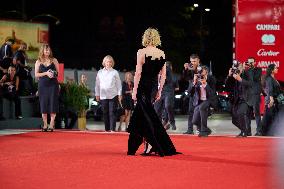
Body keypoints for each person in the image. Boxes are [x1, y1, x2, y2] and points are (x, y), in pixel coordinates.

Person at [127, 27, 180, 157]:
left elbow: (138, 73)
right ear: (157, 38)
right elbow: (163, 76)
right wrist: (159, 91)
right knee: (144, 116)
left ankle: (151, 143)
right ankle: (140, 146)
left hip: (142, 88)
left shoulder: (141, 52)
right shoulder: (161, 54)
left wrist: (134, 91)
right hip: (152, 89)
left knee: (145, 117)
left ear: (145, 37)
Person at [35, 44, 59, 132]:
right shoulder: (38, 61)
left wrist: (52, 73)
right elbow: (36, 74)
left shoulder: (54, 60)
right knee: (43, 104)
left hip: (53, 85)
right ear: (42, 51)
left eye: (48, 50)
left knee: (53, 103)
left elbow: (58, 74)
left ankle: (52, 124)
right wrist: (46, 73)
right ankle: (45, 124)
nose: (47, 52)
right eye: (45, 50)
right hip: (42, 85)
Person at [95, 55, 122, 132]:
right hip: (103, 96)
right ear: (104, 62)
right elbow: (97, 84)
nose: (108, 63)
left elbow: (118, 84)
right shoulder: (100, 72)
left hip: (113, 95)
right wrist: (97, 94)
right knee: (105, 112)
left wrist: (119, 94)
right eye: (107, 61)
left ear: (112, 63)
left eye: (110, 62)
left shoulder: (115, 72)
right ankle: (107, 129)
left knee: (112, 112)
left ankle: (112, 129)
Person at [225, 63, 252, 137]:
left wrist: (240, 79)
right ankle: (244, 131)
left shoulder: (247, 74)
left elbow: (250, 84)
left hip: (245, 99)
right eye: (235, 68)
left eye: (238, 68)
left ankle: (244, 132)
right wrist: (229, 75)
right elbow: (227, 86)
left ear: (242, 68)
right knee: (234, 120)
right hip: (236, 100)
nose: (237, 70)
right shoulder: (233, 76)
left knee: (240, 113)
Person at [190, 66, 216, 137]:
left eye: (202, 71)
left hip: (209, 100)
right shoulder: (197, 79)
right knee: (194, 121)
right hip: (199, 101)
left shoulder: (211, 79)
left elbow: (212, 93)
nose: (200, 73)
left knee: (202, 107)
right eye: (200, 72)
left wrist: (205, 84)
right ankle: (207, 130)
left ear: (206, 72)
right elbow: (190, 92)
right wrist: (194, 82)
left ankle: (203, 131)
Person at [154, 61, 179, 130]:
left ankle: (172, 121)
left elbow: (169, 79)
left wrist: (162, 75)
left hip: (168, 91)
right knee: (156, 110)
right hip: (159, 92)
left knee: (167, 106)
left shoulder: (167, 69)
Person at [261, 64, 283, 136]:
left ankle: (271, 132)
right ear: (272, 70)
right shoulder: (269, 78)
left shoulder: (273, 78)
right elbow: (269, 89)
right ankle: (264, 132)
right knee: (268, 117)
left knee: (273, 117)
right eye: (276, 68)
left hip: (276, 100)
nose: (277, 69)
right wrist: (271, 99)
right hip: (271, 100)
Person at [244, 57, 263, 136]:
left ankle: (259, 131)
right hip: (248, 95)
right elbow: (244, 81)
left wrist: (251, 69)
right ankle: (248, 131)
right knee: (247, 114)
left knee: (257, 113)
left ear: (255, 62)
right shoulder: (246, 71)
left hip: (255, 94)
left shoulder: (258, 70)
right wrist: (243, 68)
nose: (251, 63)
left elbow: (253, 79)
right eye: (249, 62)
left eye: (252, 62)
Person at [183, 54, 201, 135]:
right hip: (192, 92)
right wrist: (186, 69)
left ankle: (200, 128)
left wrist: (195, 70)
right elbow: (185, 78)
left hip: (201, 92)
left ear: (198, 60)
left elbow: (202, 77)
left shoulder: (202, 68)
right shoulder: (190, 68)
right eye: (191, 61)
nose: (192, 63)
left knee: (199, 111)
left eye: (194, 61)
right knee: (190, 111)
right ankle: (190, 130)